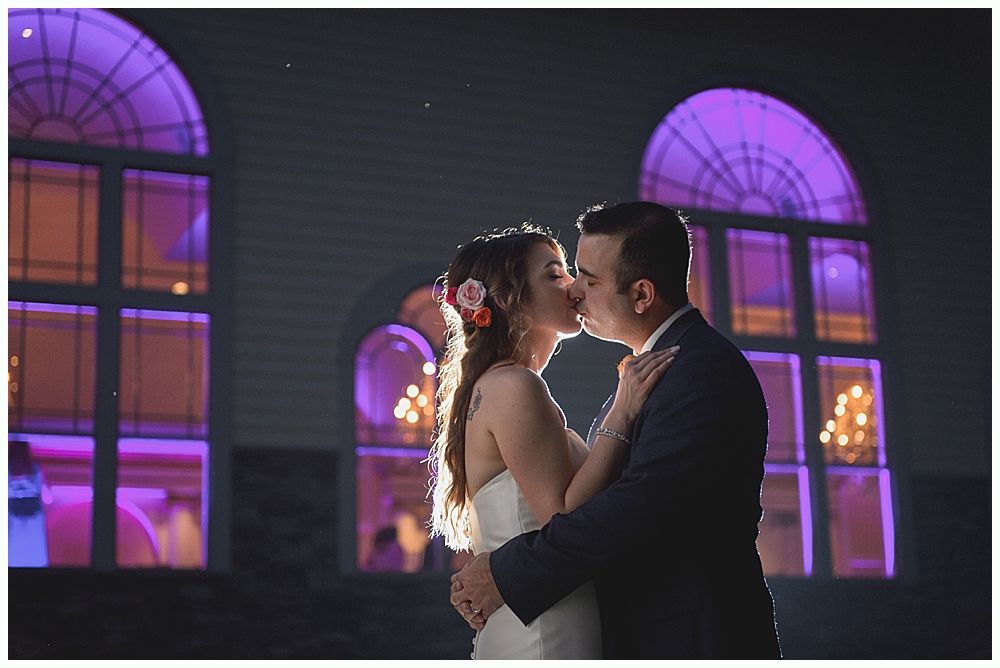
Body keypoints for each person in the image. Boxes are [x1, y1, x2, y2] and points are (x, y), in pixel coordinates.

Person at [449, 202, 781, 659]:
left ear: (642, 295)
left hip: (692, 638)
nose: (575, 291)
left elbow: (638, 505)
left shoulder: (700, 371)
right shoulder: (647, 374)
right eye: (564, 274)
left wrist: (506, 574)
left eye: (587, 277)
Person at [428, 225, 677, 659]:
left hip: (538, 610)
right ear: (509, 298)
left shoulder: (500, 386)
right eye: (555, 274)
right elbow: (562, 516)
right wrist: (622, 413)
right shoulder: (514, 386)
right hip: (546, 626)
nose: (574, 287)